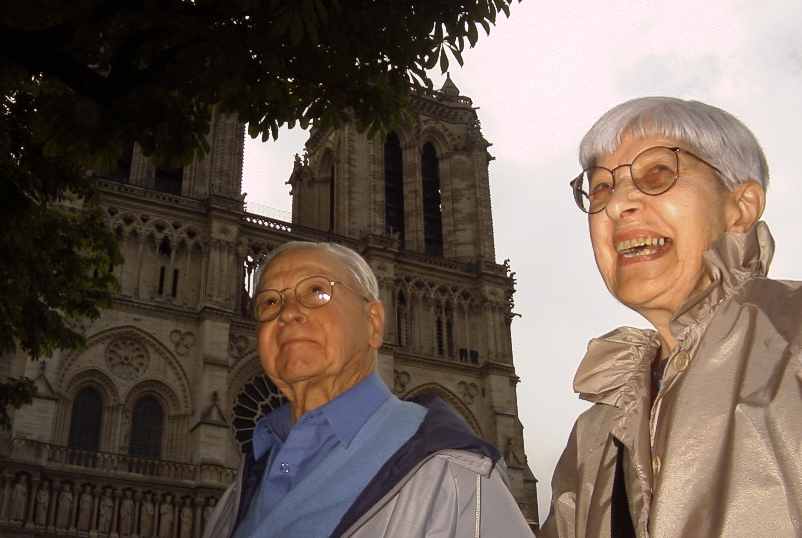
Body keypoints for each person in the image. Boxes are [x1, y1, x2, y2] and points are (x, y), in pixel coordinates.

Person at [541, 96, 802, 537]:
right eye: (601, 187)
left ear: (741, 206)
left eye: (658, 174)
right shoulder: (595, 434)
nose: (617, 204)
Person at [203, 242, 531, 537]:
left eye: (317, 291)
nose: (287, 313)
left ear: (374, 323)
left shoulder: (457, 474)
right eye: (270, 302)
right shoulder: (237, 495)